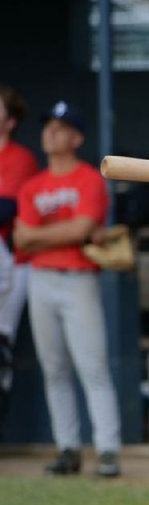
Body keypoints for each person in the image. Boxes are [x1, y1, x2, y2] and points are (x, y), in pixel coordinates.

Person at [14, 100, 122, 477]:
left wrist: (46, 236)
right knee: (54, 369)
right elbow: (21, 240)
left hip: (79, 279)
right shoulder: (33, 185)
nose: (51, 132)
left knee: (92, 366)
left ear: (76, 137)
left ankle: (107, 450)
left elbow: (81, 229)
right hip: (40, 279)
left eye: (60, 127)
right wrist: (63, 235)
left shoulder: (90, 178)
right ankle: (68, 448)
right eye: (49, 126)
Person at [0, 85, 39, 438]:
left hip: (9, 261)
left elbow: (6, 208)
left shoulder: (18, 158)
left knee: (1, 347)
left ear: (10, 121)